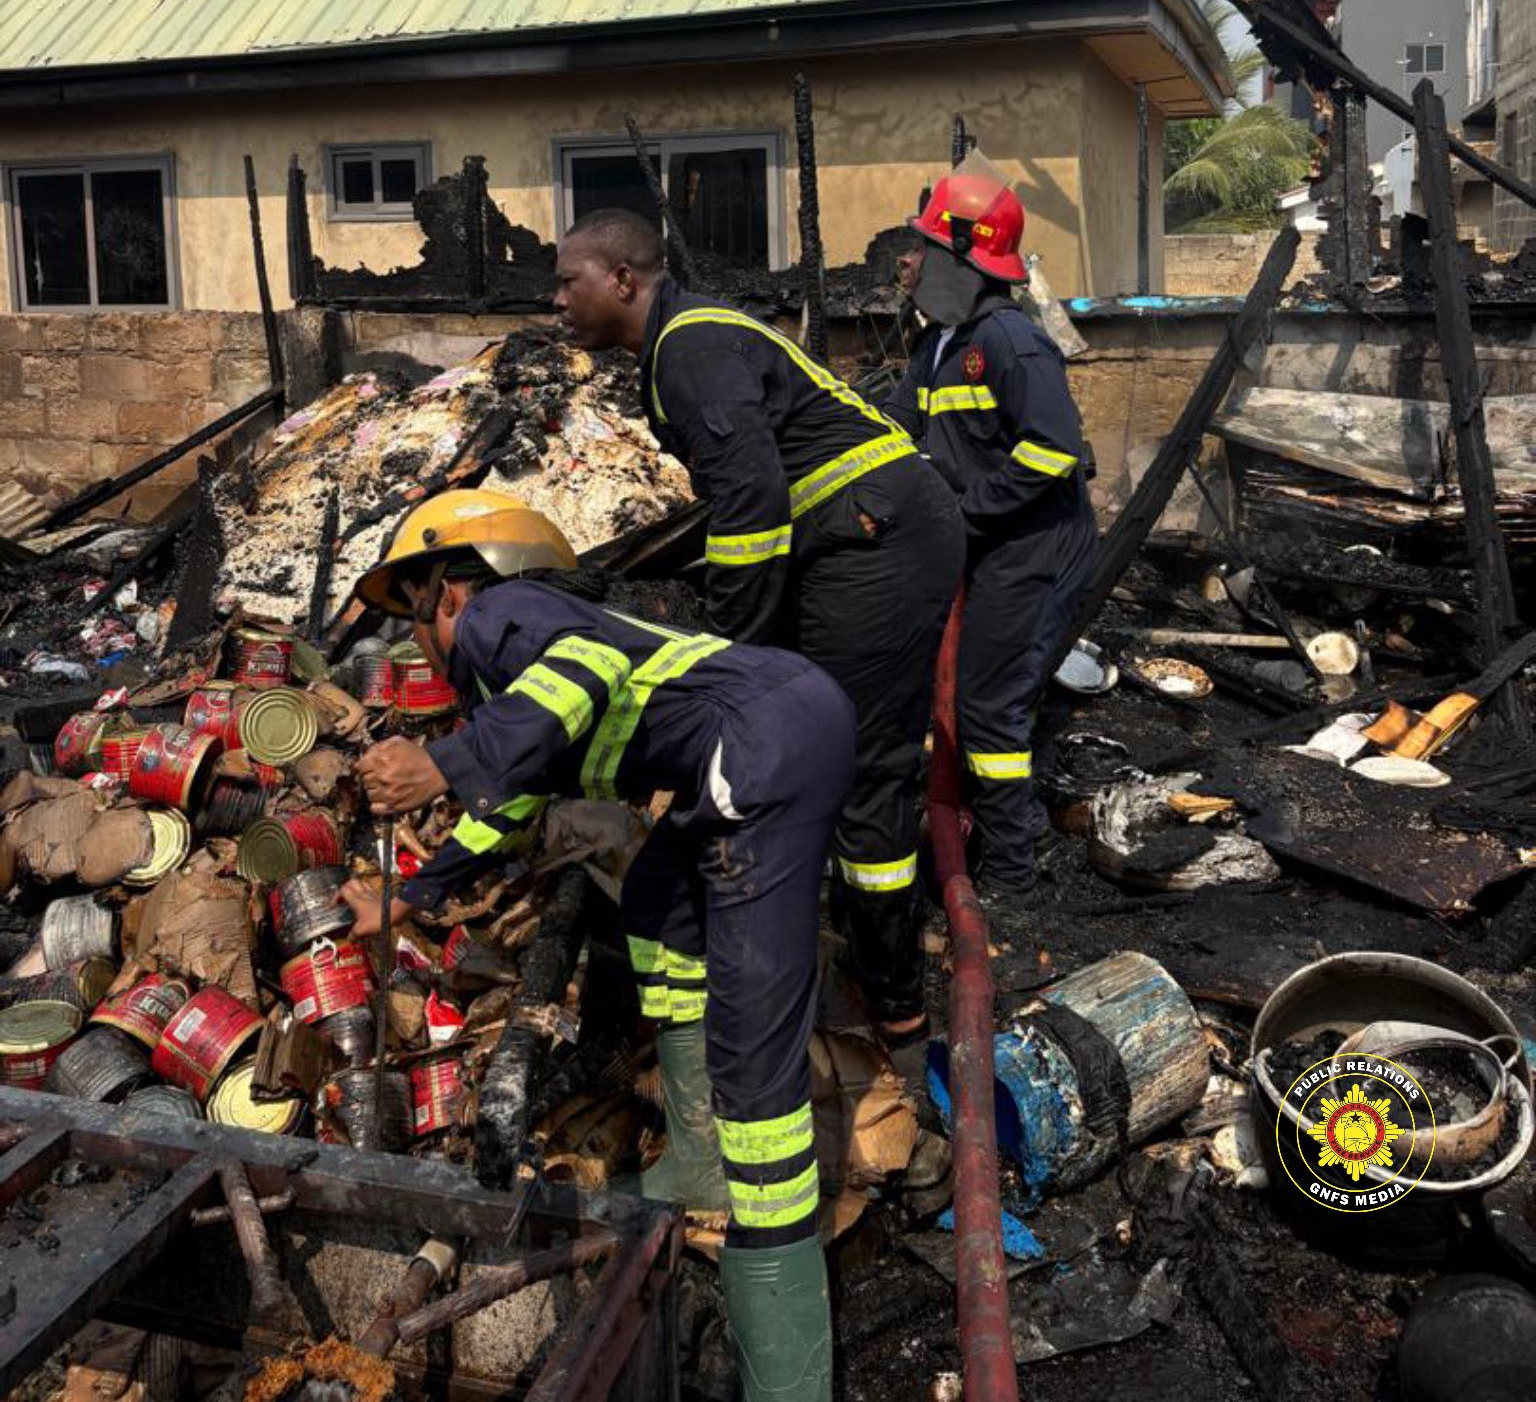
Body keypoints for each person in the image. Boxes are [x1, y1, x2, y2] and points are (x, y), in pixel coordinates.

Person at [340, 488, 852, 1402]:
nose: (420, 648)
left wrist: (442, 763)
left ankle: (787, 1364)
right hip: (772, 730)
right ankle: (697, 1157)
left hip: (766, 743)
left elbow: (575, 670)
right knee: (659, 895)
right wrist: (415, 895)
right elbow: (521, 804)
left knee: (755, 1047)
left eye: (412, 622)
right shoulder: (526, 668)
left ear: (445, 594)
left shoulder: (508, 616)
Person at [552, 210, 964, 1064]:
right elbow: (736, 504)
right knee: (818, 735)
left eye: (568, 280)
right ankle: (842, 931)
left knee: (865, 761)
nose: (555, 300)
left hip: (879, 539)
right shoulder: (679, 347)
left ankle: (895, 1004)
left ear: (623, 280)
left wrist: (727, 656)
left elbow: (749, 509)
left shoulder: (691, 350)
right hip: (854, 536)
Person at [884, 153, 1097, 893]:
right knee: (955, 694)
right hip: (982, 542)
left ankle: (1011, 867)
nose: (907, 262)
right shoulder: (935, 346)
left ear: (961, 257)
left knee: (986, 705)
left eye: (921, 248)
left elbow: (1054, 453)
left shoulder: (1010, 340)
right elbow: (896, 431)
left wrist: (963, 513)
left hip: (1032, 547)